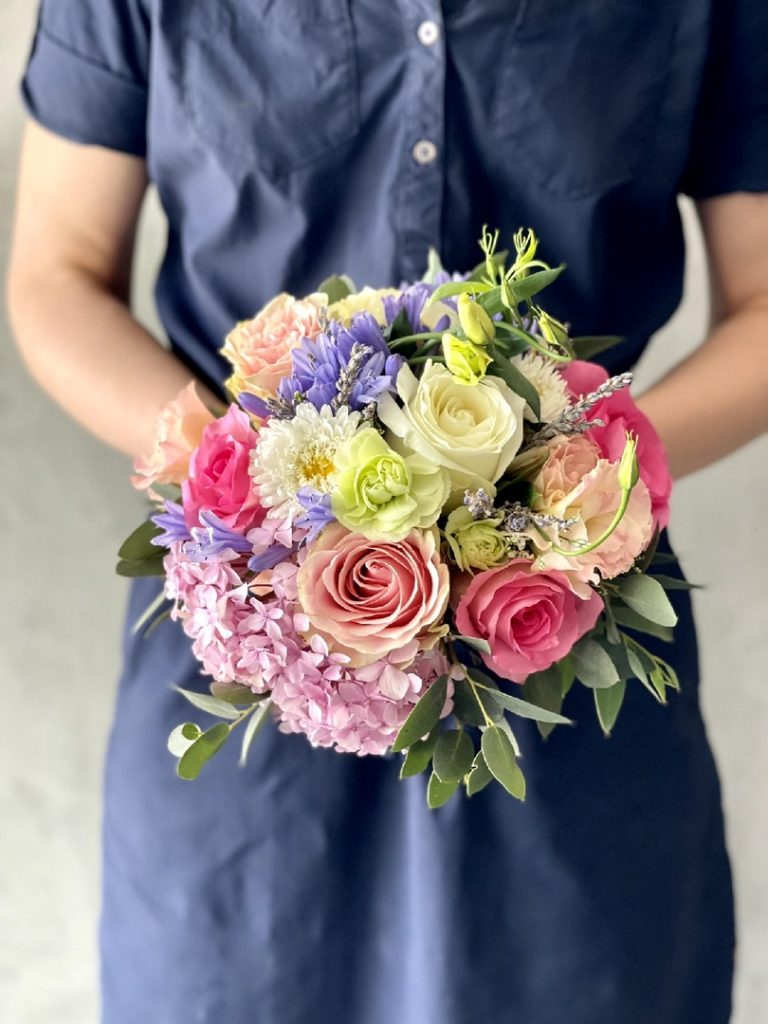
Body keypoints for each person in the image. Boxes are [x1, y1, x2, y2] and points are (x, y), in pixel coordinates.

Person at [6, 2, 768, 1022]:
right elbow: (58, 272)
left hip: (561, 634)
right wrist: (250, 481)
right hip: (251, 647)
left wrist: (565, 481)